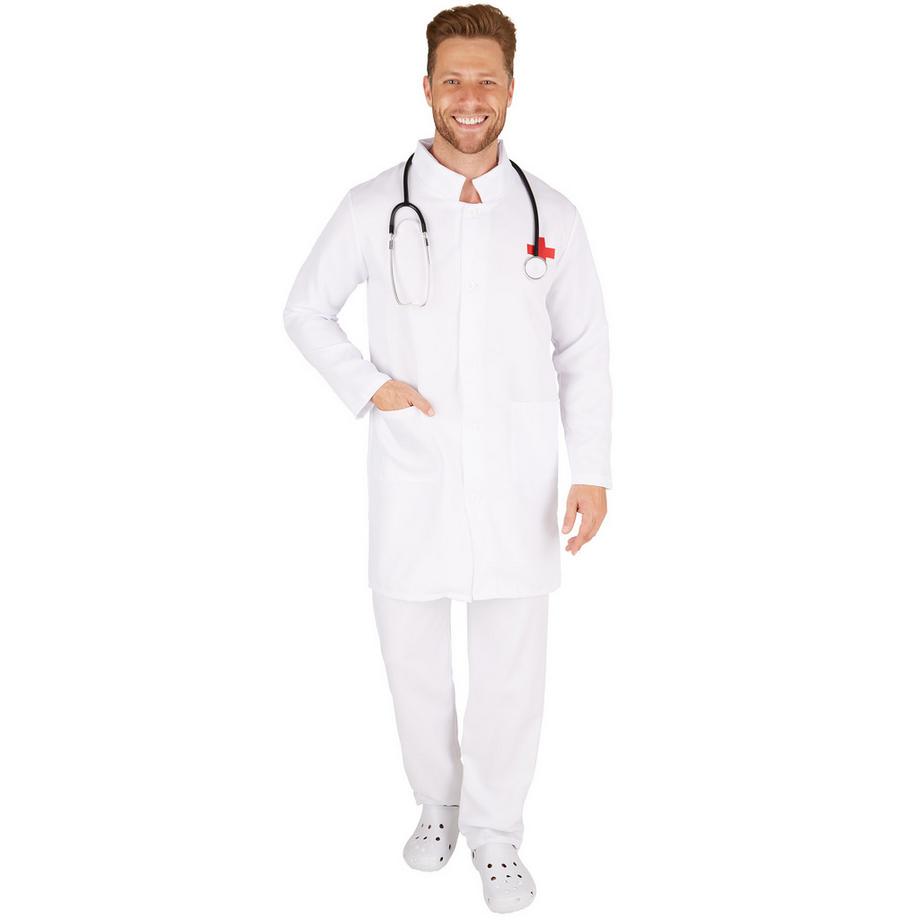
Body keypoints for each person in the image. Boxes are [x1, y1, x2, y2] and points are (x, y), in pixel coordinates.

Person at [283, 4, 611, 912]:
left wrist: (590, 470)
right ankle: (438, 805)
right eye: (454, 79)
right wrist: (370, 387)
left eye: (487, 80)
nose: (471, 97)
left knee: (512, 669)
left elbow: (584, 350)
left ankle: (496, 834)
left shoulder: (553, 214)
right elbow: (305, 311)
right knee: (413, 659)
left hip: (518, 477)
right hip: (414, 469)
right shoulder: (371, 206)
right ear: (427, 87)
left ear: (511, 89)